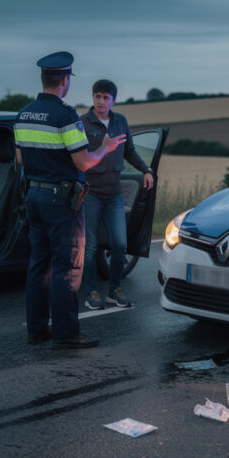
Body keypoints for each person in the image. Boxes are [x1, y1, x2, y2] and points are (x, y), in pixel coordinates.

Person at [14, 52, 126, 349]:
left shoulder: (23, 114)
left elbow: (20, 157)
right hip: (61, 201)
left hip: (33, 195)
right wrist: (104, 148)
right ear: (64, 81)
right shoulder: (66, 116)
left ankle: (37, 330)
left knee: (39, 264)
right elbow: (83, 163)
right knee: (68, 267)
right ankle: (66, 333)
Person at [79, 79, 154, 310]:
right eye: (97, 97)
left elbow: (129, 150)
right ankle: (92, 292)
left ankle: (114, 290)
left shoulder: (120, 121)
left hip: (114, 194)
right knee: (90, 247)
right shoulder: (82, 123)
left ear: (113, 100)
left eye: (106, 98)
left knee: (120, 245)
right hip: (90, 193)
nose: (101, 102)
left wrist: (146, 170)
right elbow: (78, 157)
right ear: (93, 97)